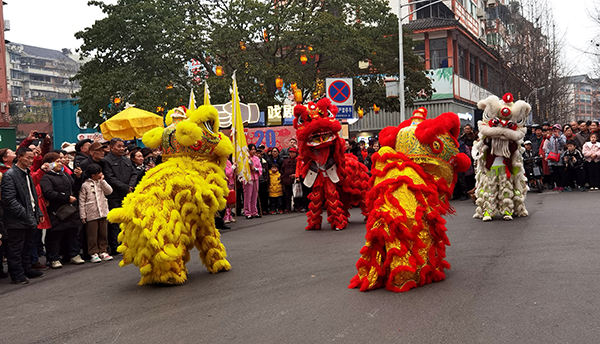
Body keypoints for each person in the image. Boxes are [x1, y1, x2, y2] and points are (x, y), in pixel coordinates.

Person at [1, 147, 44, 284]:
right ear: (19, 157)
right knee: (16, 248)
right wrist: (26, 215)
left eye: (32, 158)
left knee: (27, 246)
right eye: (28, 158)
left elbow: (32, 196)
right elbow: (9, 200)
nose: (31, 161)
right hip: (16, 220)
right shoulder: (10, 175)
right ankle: (17, 274)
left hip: (30, 217)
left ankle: (26, 269)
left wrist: (38, 212)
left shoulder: (27, 173)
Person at [40, 152, 85, 268]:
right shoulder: (46, 177)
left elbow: (75, 187)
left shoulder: (65, 175)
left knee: (72, 233)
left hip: (70, 210)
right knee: (55, 236)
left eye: (61, 161)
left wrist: (78, 178)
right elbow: (48, 192)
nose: (60, 163)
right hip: (57, 211)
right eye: (57, 161)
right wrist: (66, 198)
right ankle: (53, 258)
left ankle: (74, 255)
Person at [103, 138, 138, 256]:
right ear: (111, 147)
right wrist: (124, 187)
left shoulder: (126, 160)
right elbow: (110, 178)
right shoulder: (106, 161)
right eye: (119, 146)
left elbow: (134, 173)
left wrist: (131, 186)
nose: (122, 149)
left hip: (128, 194)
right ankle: (115, 246)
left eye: (123, 146)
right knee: (115, 222)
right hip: (114, 195)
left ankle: (128, 243)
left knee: (128, 220)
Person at [79, 164, 113, 263]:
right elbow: (82, 201)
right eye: (99, 173)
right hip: (91, 213)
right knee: (92, 235)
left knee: (103, 232)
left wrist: (103, 181)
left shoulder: (101, 183)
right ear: (93, 175)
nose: (101, 175)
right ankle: (93, 252)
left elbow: (109, 191)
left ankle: (103, 250)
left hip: (103, 211)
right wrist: (83, 215)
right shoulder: (85, 185)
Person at [543, 124, 566, 191]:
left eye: (556, 129)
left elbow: (563, 143)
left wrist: (558, 137)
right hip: (553, 155)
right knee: (555, 171)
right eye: (553, 129)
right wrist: (547, 156)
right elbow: (548, 148)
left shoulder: (562, 136)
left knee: (561, 171)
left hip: (560, 155)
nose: (555, 131)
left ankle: (562, 185)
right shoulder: (551, 138)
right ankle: (558, 185)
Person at [243, 144, 262, 219]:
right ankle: (247, 212)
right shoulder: (245, 158)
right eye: (252, 149)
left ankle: (254, 211)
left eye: (254, 149)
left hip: (255, 177)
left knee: (255, 195)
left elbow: (260, 167)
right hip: (248, 178)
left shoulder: (257, 158)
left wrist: (256, 169)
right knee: (248, 195)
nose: (253, 151)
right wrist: (249, 164)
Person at [280, 147, 299, 213]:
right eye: (291, 152)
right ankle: (288, 208)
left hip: (295, 180)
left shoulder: (298, 161)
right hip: (287, 180)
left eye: (293, 152)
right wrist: (283, 177)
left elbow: (299, 169)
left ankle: (297, 206)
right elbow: (282, 170)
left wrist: (296, 175)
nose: (292, 154)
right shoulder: (285, 161)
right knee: (287, 195)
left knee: (296, 194)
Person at [257, 147, 269, 216]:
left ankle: (264, 209)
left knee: (264, 196)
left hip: (263, 180)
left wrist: (266, 179)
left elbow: (266, 171)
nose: (258, 155)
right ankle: (258, 210)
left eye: (259, 153)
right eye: (257, 153)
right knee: (257, 197)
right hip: (256, 180)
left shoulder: (264, 161)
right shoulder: (253, 160)